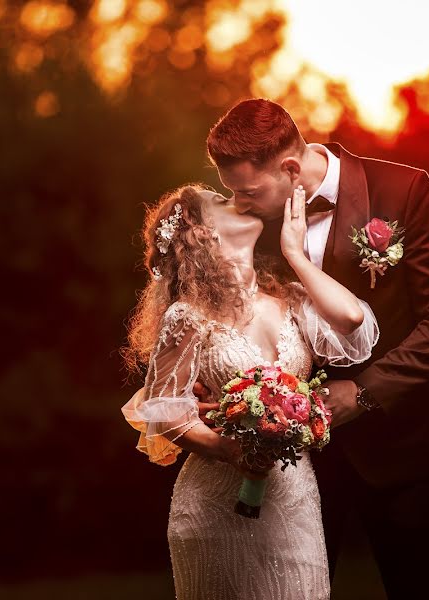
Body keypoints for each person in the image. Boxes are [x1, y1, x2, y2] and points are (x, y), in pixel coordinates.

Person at [197, 98, 429, 599]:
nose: (239, 204)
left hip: (400, 448)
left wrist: (364, 393)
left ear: (288, 168)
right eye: (231, 193)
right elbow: (229, 316)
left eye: (248, 191)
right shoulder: (251, 224)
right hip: (293, 462)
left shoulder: (402, 189)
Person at [121, 184, 379, 600]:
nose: (236, 199)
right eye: (220, 201)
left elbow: (351, 319)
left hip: (294, 502)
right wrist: (226, 448)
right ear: (203, 232)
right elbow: (163, 408)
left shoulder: (292, 299)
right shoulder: (188, 315)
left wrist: (294, 252)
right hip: (214, 505)